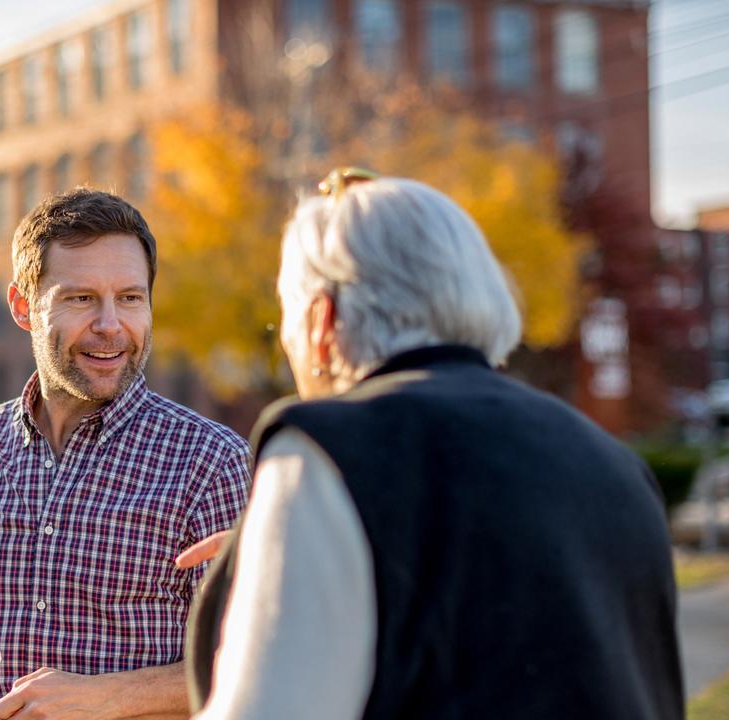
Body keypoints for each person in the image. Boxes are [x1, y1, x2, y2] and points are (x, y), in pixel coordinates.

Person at [182, 173, 684, 720]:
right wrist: (293, 536)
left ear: (320, 321)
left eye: (286, 317)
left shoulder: (329, 454)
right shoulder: (614, 464)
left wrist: (306, 512)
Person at [0, 188, 251, 720]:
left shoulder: (213, 463)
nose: (111, 325)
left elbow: (252, 657)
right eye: (81, 298)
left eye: (131, 298)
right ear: (24, 307)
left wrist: (106, 697)